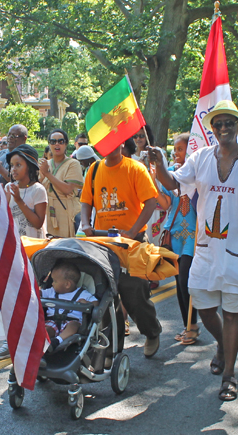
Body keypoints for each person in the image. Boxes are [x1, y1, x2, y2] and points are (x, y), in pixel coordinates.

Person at [150, 100, 238, 401]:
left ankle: (229, 375)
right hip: (205, 250)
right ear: (212, 128)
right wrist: (160, 164)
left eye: (229, 123)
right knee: (203, 308)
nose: (224, 128)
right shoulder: (200, 157)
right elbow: (174, 182)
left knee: (231, 314)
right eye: (218, 124)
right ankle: (223, 345)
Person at [81, 142, 162, 358]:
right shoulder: (94, 170)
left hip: (132, 241)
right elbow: (85, 201)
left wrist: (132, 230)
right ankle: (111, 339)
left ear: (123, 144)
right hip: (103, 241)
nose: (111, 146)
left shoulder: (135, 168)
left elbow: (151, 202)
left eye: (116, 142)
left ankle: (151, 332)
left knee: (135, 291)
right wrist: (86, 224)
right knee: (104, 292)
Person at [0, 144, 47, 361]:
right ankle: (10, 341)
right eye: (11, 165)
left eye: (18, 165)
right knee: (12, 297)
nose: (13, 170)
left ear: (30, 167)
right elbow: (3, 218)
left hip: (33, 252)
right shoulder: (8, 189)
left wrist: (20, 201)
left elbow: (38, 221)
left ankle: (38, 338)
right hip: (12, 252)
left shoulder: (38, 190)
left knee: (32, 298)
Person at [158, 134, 199, 345]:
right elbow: (166, 204)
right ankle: (187, 326)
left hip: (193, 234)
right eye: (174, 149)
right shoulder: (171, 175)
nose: (176, 153)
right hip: (174, 234)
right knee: (178, 282)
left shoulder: (198, 175)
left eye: (180, 149)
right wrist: (152, 183)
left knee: (185, 281)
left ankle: (193, 324)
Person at [41, 261, 98, 351]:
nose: (52, 283)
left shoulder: (82, 293)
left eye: (54, 281)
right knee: (46, 329)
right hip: (52, 320)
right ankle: (42, 344)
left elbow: (96, 303)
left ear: (67, 284)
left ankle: (57, 341)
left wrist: (86, 303)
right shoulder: (51, 291)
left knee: (74, 326)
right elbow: (39, 293)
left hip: (71, 321)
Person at [40, 129, 84, 238]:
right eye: (53, 141)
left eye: (60, 141)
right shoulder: (46, 164)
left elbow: (67, 189)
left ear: (66, 144)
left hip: (66, 211)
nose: (57, 144)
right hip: (48, 212)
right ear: (49, 144)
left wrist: (47, 174)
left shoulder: (73, 164)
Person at [132, 125, 168, 248]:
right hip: (140, 203)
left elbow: (165, 176)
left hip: (157, 201)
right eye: (135, 136)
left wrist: (152, 167)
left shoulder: (157, 153)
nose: (138, 139)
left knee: (157, 242)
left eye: (142, 136)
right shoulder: (130, 157)